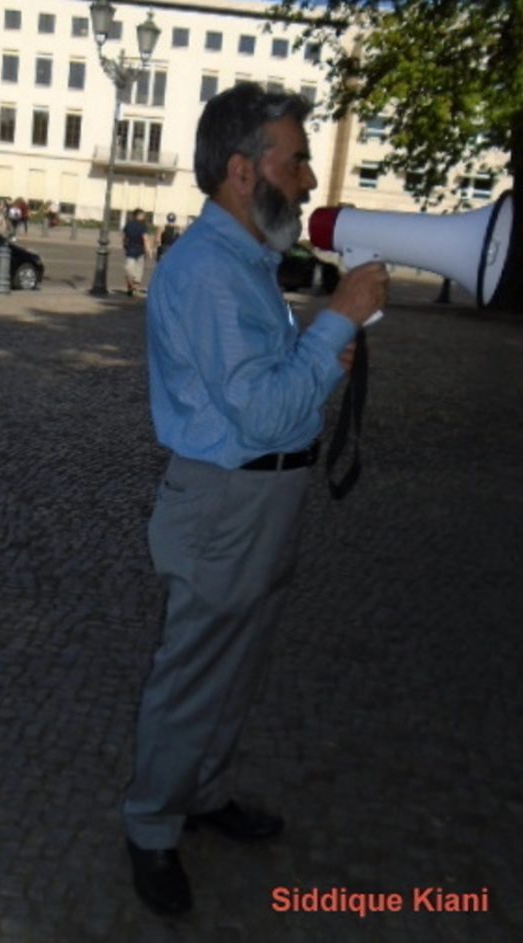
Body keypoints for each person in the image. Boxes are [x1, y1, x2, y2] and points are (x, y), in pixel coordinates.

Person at [123, 82, 388, 916]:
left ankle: (203, 793)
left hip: (255, 504)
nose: (310, 179)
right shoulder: (207, 272)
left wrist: (315, 360)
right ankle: (152, 826)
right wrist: (336, 324)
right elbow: (264, 407)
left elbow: (270, 389)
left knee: (232, 670)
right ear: (243, 170)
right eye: (297, 158)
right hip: (223, 510)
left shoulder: (241, 263)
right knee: (194, 677)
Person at [123, 208, 151, 296]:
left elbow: (125, 237)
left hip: (130, 249)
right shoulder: (143, 226)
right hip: (140, 250)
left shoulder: (128, 224)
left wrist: (125, 246)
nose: (144, 217)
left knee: (129, 268)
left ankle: (130, 284)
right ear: (139, 215)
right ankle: (135, 285)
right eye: (143, 215)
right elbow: (145, 238)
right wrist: (148, 250)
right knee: (138, 269)